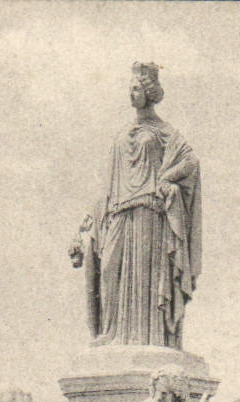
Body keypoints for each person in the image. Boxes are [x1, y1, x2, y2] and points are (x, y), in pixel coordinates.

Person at [68, 62, 201, 349]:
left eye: (137, 88)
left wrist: (167, 177)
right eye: (130, 88)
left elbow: (191, 162)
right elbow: (106, 185)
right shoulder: (120, 134)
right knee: (109, 273)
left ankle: (147, 337)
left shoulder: (164, 132)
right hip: (117, 213)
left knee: (144, 281)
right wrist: (86, 224)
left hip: (148, 215)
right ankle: (111, 333)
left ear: (150, 92)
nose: (132, 93)